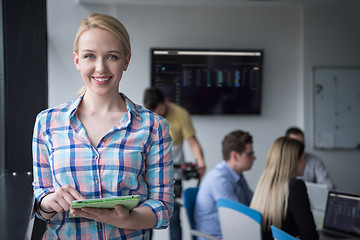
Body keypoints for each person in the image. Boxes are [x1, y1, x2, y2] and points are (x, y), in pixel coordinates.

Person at [32, 13, 174, 239]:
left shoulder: (154, 126)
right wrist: (49, 202)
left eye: (112, 57)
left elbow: (163, 209)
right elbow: (41, 202)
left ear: (126, 61)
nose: (101, 68)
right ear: (77, 60)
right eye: (89, 56)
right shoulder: (47, 123)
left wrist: (129, 219)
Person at [143, 87, 206, 240]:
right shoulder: (143, 116)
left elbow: (193, 142)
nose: (157, 116)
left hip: (173, 175)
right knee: (145, 216)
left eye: (160, 111)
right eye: (154, 113)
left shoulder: (180, 114)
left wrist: (201, 163)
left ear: (166, 101)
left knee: (173, 216)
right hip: (146, 175)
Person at [250, 137, 319, 240]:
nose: (305, 163)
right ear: (294, 161)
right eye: (303, 158)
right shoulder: (296, 186)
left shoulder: (264, 185)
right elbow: (311, 236)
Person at [194, 130, 255, 240]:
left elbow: (253, 203)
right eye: (250, 154)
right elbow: (238, 218)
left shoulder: (237, 174)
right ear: (235, 156)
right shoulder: (219, 180)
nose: (254, 158)